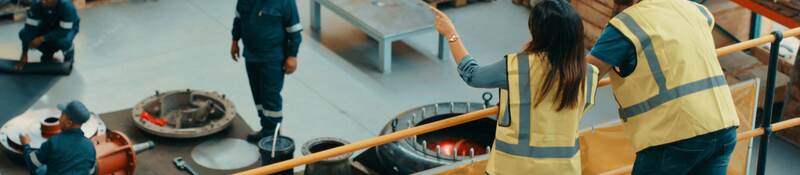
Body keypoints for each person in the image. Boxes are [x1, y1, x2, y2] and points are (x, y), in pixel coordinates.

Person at [430, 0, 599, 174]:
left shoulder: (518, 66)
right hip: (565, 170)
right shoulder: (590, 73)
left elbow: (472, 75)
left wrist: (451, 33)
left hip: (514, 168)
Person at [585, 0, 740, 174]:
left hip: (673, 135)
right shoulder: (695, 9)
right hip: (724, 126)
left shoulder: (625, 25)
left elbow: (584, 74)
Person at [230, 0, 303, 142]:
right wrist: (234, 41)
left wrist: (292, 56)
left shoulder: (285, 2)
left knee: (270, 98)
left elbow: (294, 30)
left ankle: (273, 137)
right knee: (258, 96)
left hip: (272, 60)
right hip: (251, 56)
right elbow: (238, 19)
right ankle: (266, 129)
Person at [19, 101, 97, 175]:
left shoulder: (54, 142)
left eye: (62, 115)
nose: (59, 118)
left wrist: (26, 145)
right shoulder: (90, 145)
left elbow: (33, 162)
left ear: (69, 123)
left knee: (40, 170)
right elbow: (90, 170)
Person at [17, 0, 80, 71]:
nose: (43, 2)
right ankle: (48, 53)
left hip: (67, 28)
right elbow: (29, 29)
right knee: (23, 34)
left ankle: (69, 54)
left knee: (64, 41)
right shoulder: (37, 3)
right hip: (48, 24)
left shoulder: (66, 5)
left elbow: (64, 31)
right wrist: (24, 53)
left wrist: (42, 38)